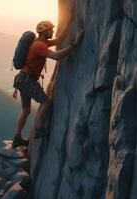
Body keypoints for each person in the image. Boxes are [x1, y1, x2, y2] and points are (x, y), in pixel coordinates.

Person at [12, 15, 84, 148]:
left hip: (22, 79)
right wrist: (75, 45)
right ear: (44, 32)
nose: (52, 32)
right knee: (46, 101)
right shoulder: (39, 45)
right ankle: (39, 129)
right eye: (50, 30)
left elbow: (59, 39)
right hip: (27, 80)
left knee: (26, 110)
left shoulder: (41, 42)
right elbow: (57, 56)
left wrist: (69, 19)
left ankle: (17, 138)